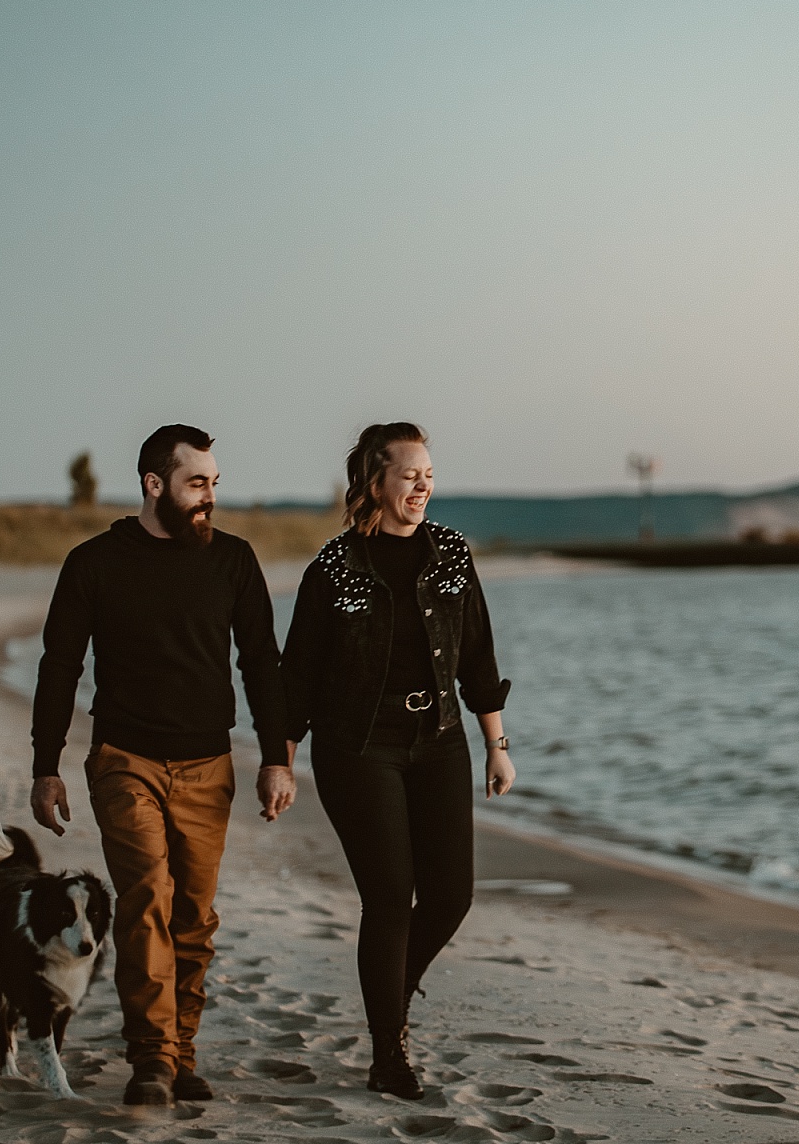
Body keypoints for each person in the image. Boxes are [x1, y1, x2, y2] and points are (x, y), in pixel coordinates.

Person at [27, 424, 296, 1106]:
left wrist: (276, 757)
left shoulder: (233, 561)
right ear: (155, 485)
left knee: (194, 918)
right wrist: (47, 765)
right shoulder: (94, 563)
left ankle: (180, 1052)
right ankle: (151, 1060)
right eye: (195, 483)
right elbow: (60, 665)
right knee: (147, 898)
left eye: (213, 483)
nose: (209, 497)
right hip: (126, 760)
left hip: (210, 765)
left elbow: (262, 663)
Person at [272, 422, 515, 1100]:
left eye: (429, 475)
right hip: (358, 748)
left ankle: (392, 990)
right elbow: (298, 677)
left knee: (452, 896)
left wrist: (497, 745)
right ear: (375, 483)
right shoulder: (333, 568)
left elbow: (478, 656)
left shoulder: (452, 556)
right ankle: (389, 1053)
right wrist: (281, 761)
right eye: (410, 475)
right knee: (389, 897)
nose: (423, 486)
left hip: (438, 741)